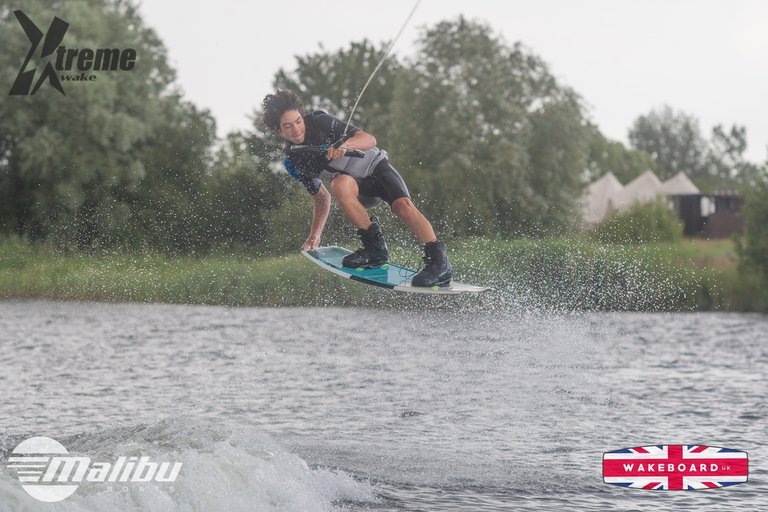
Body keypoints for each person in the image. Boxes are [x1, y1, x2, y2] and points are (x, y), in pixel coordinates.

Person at [261, 89, 452, 288]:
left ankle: (439, 264)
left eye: (298, 121)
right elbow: (321, 197)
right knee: (339, 183)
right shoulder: (293, 160)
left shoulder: (319, 121)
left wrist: (346, 145)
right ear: (278, 130)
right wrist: (315, 234)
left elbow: (369, 139)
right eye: (288, 126)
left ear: (302, 116)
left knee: (403, 207)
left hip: (377, 170)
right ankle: (375, 250)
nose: (296, 129)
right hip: (358, 191)